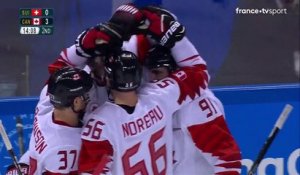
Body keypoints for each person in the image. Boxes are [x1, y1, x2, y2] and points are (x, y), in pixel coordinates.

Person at [144, 44, 242, 175]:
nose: (152, 79)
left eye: (158, 72)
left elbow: (227, 158)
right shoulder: (150, 103)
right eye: (149, 73)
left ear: (175, 72)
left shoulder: (197, 105)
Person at [27, 67, 93, 174]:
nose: (89, 98)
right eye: (85, 95)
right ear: (76, 102)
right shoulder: (64, 150)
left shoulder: (44, 106)